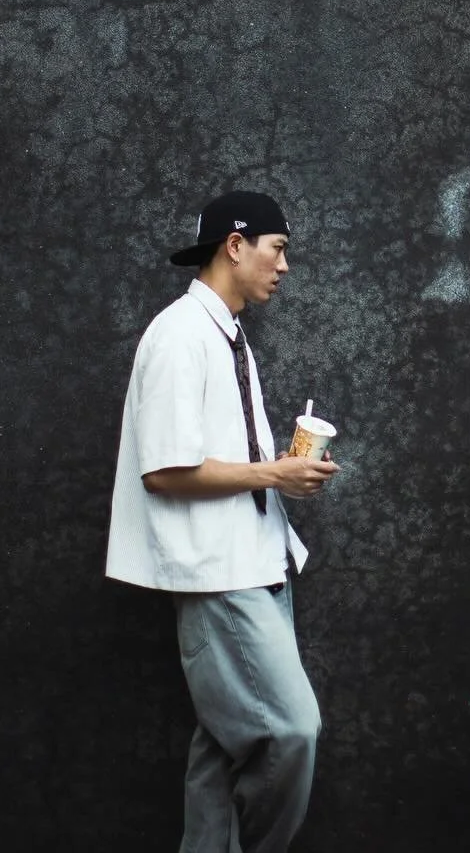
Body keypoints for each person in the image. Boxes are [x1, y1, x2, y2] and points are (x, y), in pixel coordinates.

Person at [106, 190, 337, 853]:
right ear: (235, 246)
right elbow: (166, 471)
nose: (285, 266)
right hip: (220, 574)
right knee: (292, 729)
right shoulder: (179, 336)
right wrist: (275, 474)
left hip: (258, 563)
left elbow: (220, 458)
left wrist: (288, 472)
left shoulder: (226, 333)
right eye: (278, 249)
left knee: (221, 749)